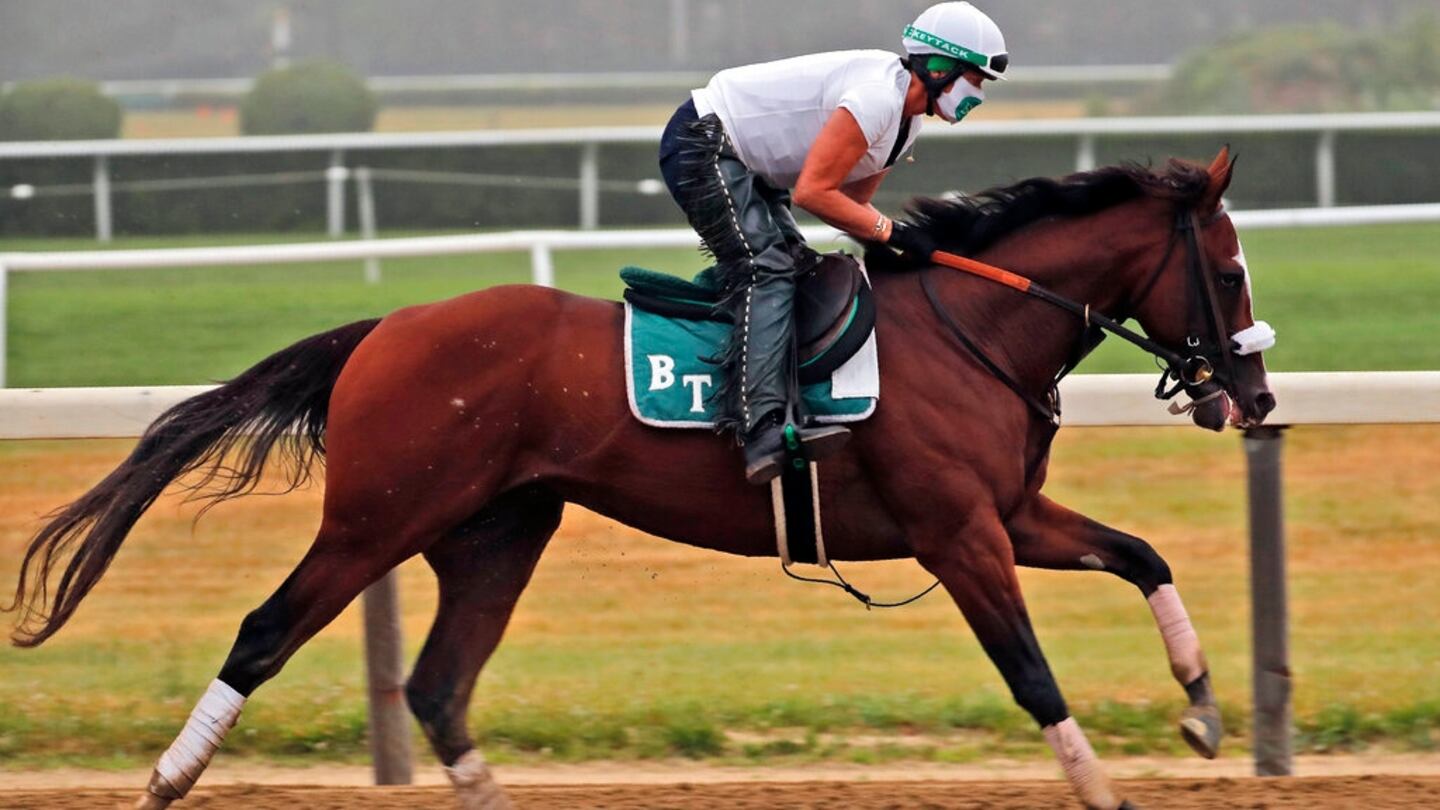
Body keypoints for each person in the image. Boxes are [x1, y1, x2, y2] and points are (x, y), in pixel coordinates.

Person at [658, 2, 1009, 485]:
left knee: (802, 269)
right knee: (766, 269)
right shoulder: (877, 100)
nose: (978, 95)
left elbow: (852, 206)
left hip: (751, 167)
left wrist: (907, 247)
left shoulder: (906, 126)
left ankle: (793, 403)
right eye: (975, 79)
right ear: (938, 67)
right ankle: (759, 428)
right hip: (703, 141)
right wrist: (896, 233)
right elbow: (813, 193)